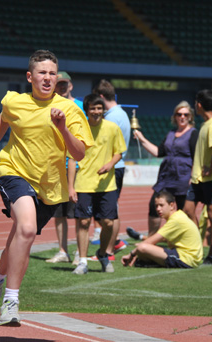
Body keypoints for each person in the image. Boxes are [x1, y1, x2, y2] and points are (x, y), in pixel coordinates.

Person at [0, 50, 93, 326]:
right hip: (15, 171)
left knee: (18, 240)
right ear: (30, 76)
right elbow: (3, 120)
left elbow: (81, 153)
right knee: (25, 229)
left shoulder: (70, 110)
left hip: (50, 186)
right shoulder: (15, 101)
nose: (47, 78)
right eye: (42, 73)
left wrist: (62, 128)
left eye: (52, 73)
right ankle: (11, 302)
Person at [126, 101, 198, 241]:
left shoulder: (193, 134)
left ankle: (191, 240)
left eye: (185, 114)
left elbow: (197, 157)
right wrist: (141, 139)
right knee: (155, 205)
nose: (182, 117)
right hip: (166, 176)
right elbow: (158, 152)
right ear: (175, 117)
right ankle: (151, 239)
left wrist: (193, 177)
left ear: (190, 117)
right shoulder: (171, 133)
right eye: (179, 114)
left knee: (185, 211)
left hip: (183, 176)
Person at [72, 94, 127, 275]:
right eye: (93, 108)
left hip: (107, 184)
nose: (96, 112)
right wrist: (70, 187)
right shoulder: (79, 129)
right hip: (83, 184)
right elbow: (71, 158)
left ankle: (103, 254)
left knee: (108, 223)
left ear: (103, 110)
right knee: (84, 222)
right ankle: (82, 261)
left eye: (99, 108)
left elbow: (119, 152)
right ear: (86, 111)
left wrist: (110, 164)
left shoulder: (112, 128)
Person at [45, 72, 85, 264]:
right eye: (58, 84)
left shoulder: (79, 107)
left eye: (64, 84)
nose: (61, 87)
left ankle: (79, 251)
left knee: (77, 213)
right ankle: (63, 251)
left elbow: (85, 135)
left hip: (76, 167)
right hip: (55, 167)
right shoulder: (49, 105)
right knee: (58, 213)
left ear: (71, 85)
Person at [183, 89, 212, 265]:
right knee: (188, 210)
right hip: (198, 178)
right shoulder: (205, 124)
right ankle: (198, 245)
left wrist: (211, 168)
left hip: (211, 178)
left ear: (199, 105)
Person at [92, 80, 130, 258]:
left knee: (109, 211)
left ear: (100, 97)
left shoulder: (112, 117)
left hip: (111, 167)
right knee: (110, 210)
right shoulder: (121, 113)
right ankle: (113, 244)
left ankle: (109, 250)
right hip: (117, 167)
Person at [121, 191, 203, 268]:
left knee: (142, 247)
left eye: (161, 205)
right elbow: (163, 239)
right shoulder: (177, 216)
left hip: (187, 259)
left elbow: (150, 242)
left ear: (171, 205)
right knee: (143, 250)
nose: (158, 209)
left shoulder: (176, 220)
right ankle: (150, 262)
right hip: (187, 257)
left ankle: (152, 263)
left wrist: (131, 254)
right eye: (156, 206)